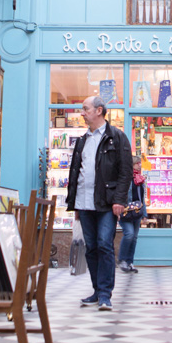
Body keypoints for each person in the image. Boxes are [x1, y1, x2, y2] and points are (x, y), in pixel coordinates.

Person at [65, 95, 133, 311]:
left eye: (85, 109)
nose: (82, 113)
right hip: (84, 204)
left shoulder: (118, 137)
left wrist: (120, 199)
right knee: (91, 247)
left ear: (99, 110)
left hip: (106, 203)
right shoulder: (82, 140)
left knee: (104, 244)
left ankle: (105, 294)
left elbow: (126, 172)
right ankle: (96, 290)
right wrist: (74, 203)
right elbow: (75, 172)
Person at [119, 155, 146, 273]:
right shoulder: (125, 179)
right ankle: (122, 260)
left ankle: (130, 262)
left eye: (140, 163)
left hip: (136, 212)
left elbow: (142, 198)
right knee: (129, 234)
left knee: (134, 238)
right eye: (137, 164)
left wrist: (144, 214)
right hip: (126, 212)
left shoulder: (140, 179)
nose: (139, 166)